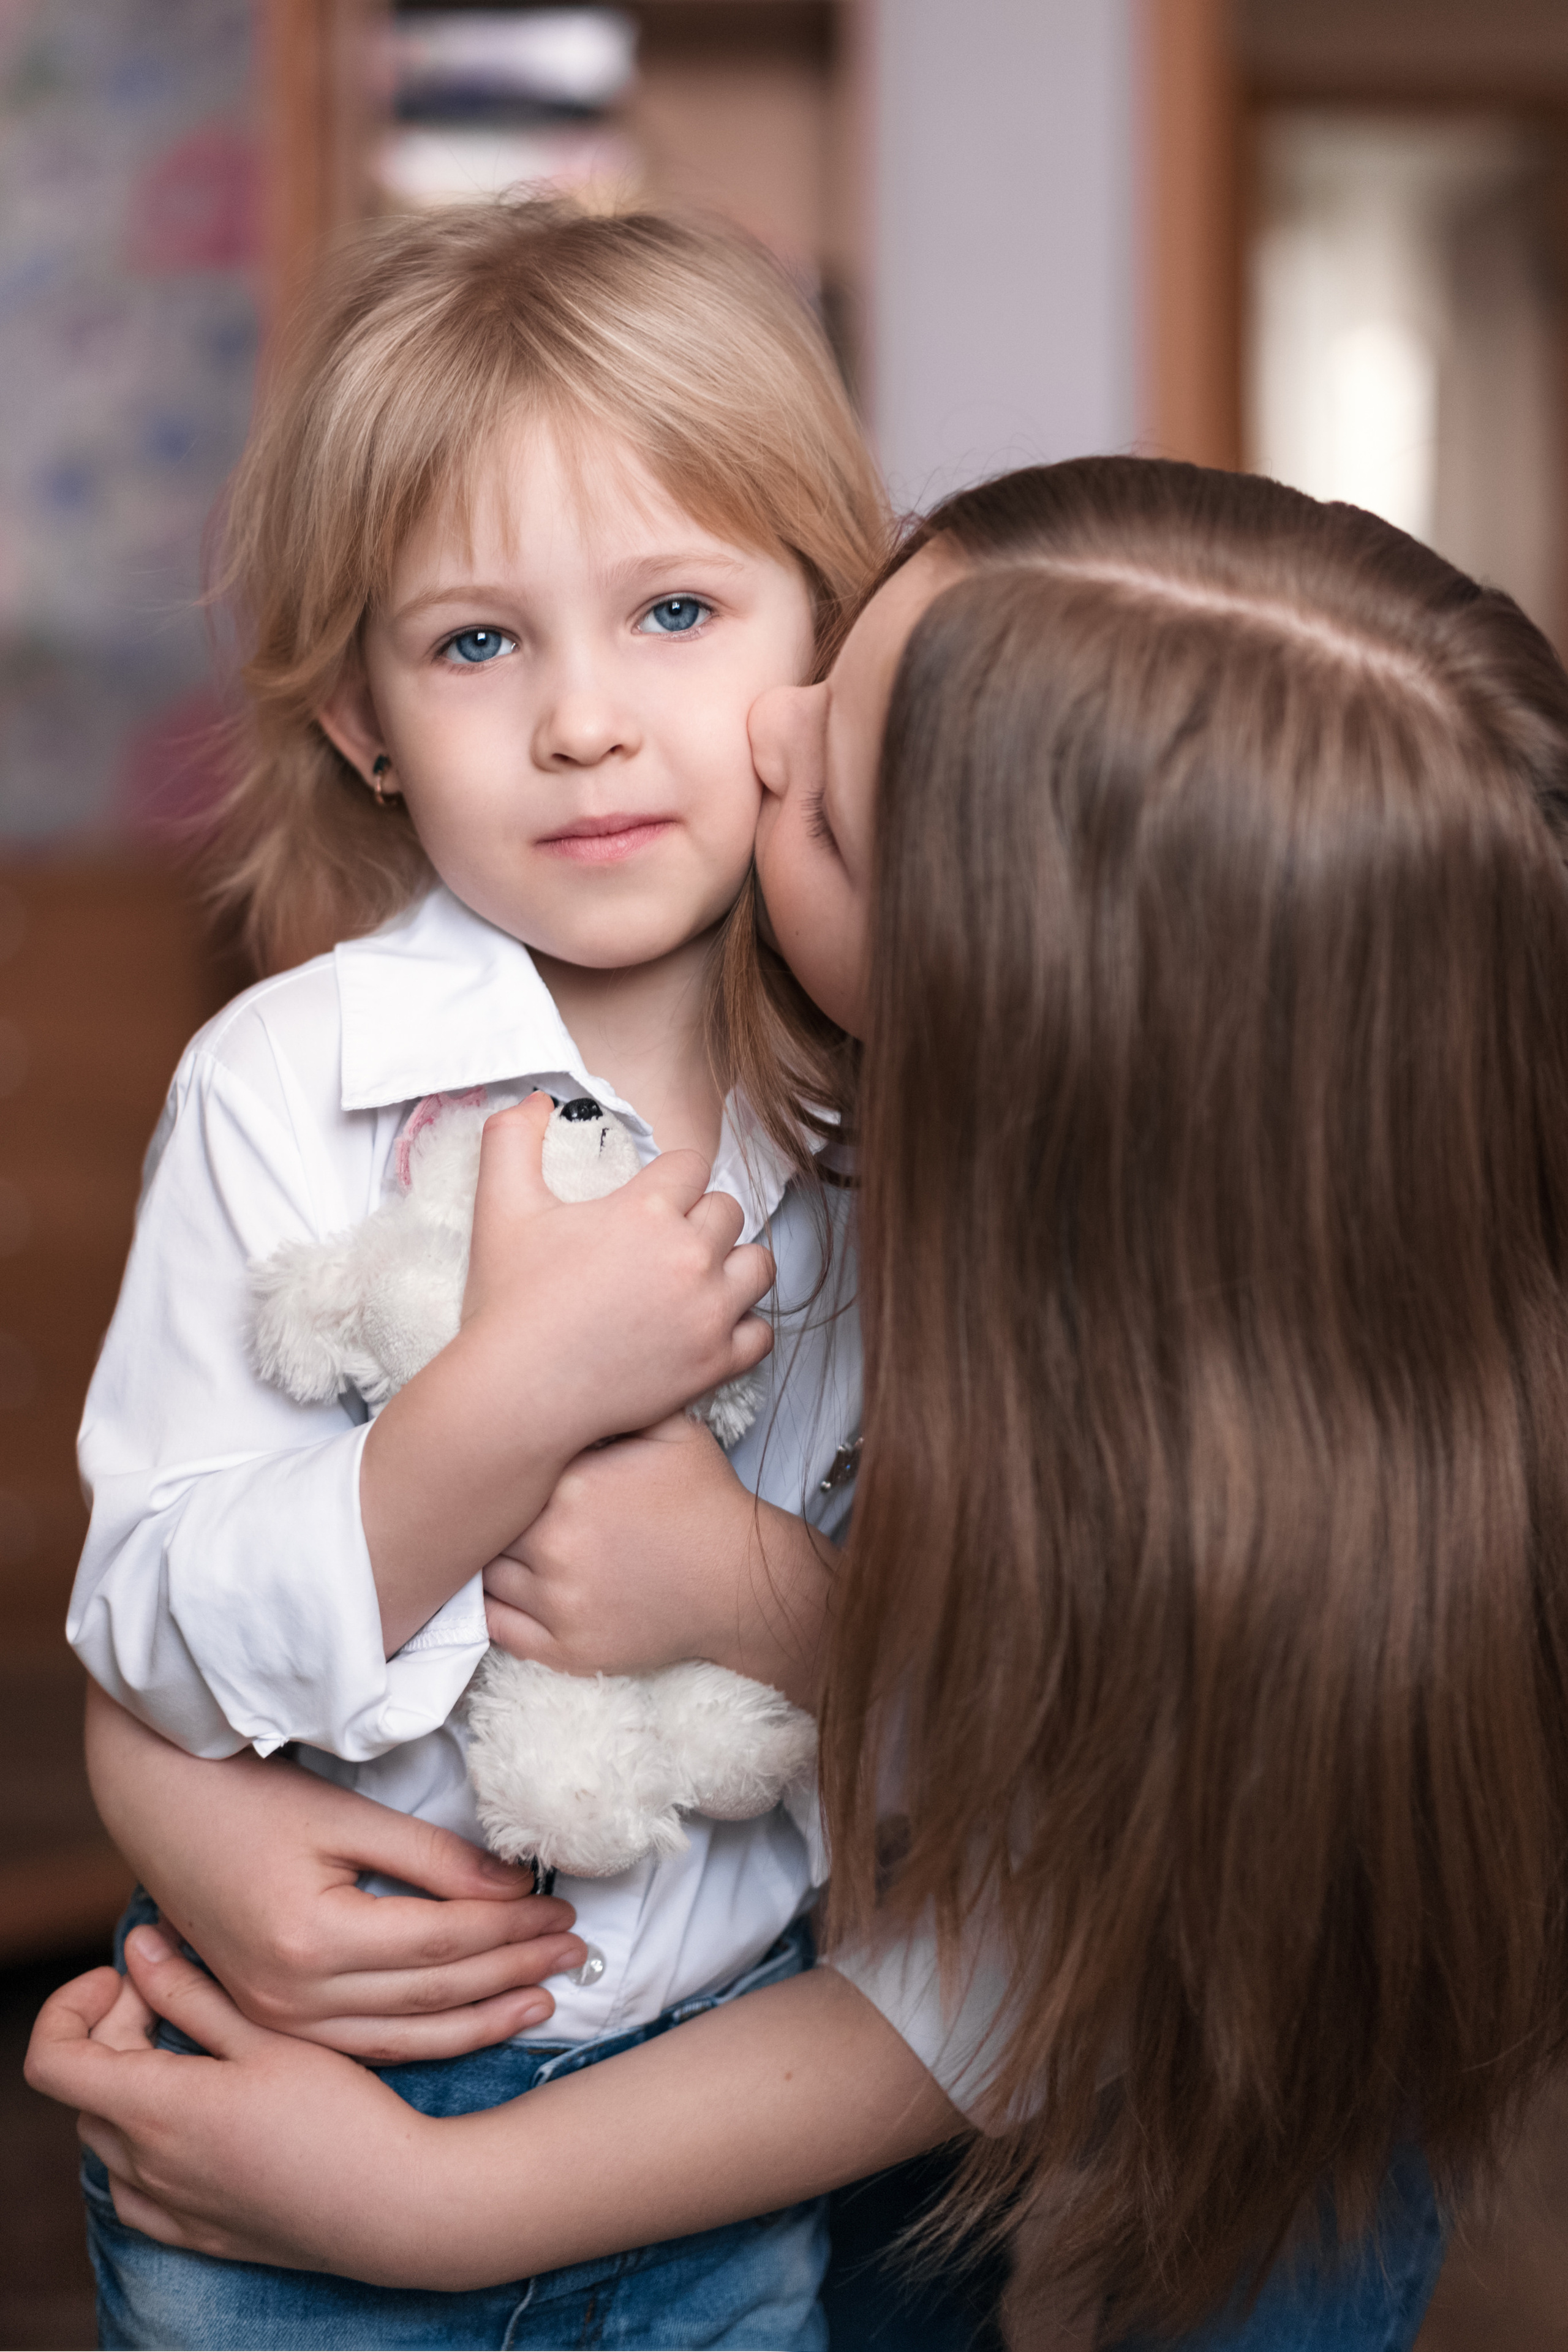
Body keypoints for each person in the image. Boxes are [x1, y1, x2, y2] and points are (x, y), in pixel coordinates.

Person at [32, 455, 1568, 2348]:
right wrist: (176, 1788)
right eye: (839, 653)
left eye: (827, 798)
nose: (747, 730)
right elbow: (188, 1572)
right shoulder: (388, 1075)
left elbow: (1067, 1888)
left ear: (1009, 1025)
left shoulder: (1352, 1580)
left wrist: (435, 2202)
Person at [51, 190, 902, 2351]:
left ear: (829, 646)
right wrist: (505, 1400)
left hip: (732, 2111)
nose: (587, 723)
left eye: (680, 610)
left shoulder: (917, 1111)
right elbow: (148, 1611)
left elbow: (1015, 1665)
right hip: (297, 2100)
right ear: (358, 718)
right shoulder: (284, 1082)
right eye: (477, 644)